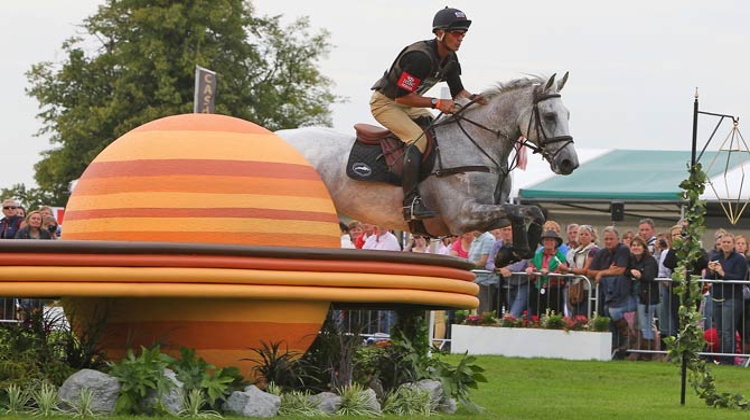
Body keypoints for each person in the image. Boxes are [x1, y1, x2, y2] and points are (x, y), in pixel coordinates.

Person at [370, 7, 484, 221]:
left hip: (408, 103)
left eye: (463, 34)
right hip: (386, 104)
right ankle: (410, 203)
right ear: (440, 33)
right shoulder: (420, 58)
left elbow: (458, 93)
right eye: (456, 34)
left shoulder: (450, 58)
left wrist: (476, 100)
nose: (461, 39)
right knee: (419, 140)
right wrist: (437, 103)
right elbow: (401, 97)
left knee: (439, 135)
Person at [587, 226, 635, 357]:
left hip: (622, 292)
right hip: (606, 291)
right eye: (606, 239)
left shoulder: (623, 250)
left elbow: (620, 269)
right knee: (607, 316)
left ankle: (628, 338)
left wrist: (602, 272)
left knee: (614, 312)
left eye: (611, 239)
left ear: (617, 239)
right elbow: (589, 272)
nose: (608, 241)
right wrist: (607, 271)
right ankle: (613, 348)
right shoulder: (601, 252)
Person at [707, 232, 747, 365]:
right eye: (723, 242)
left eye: (728, 242)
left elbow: (740, 277)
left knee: (727, 331)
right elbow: (708, 277)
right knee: (719, 331)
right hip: (717, 296)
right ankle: (722, 358)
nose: (725, 244)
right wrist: (712, 271)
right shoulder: (715, 257)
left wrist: (723, 273)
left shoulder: (739, 259)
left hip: (732, 298)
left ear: (733, 244)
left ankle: (728, 360)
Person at [628, 236, 659, 361]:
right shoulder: (631, 260)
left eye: (638, 245)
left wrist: (639, 274)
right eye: (633, 245)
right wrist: (631, 272)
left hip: (647, 297)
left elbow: (650, 276)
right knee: (639, 324)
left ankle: (647, 352)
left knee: (646, 324)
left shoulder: (650, 260)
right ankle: (638, 348)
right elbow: (626, 271)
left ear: (644, 247)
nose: (636, 248)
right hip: (635, 295)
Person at [559, 225, 599, 317]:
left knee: (584, 314)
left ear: (592, 237)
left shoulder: (593, 250)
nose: (583, 236)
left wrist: (568, 269)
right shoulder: (575, 251)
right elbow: (572, 266)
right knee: (575, 315)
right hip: (577, 287)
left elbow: (585, 270)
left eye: (586, 234)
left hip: (588, 288)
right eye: (581, 234)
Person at [526, 230, 568, 316]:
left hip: (554, 291)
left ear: (556, 243)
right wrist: (531, 270)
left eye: (551, 240)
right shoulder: (537, 255)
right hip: (538, 289)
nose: (548, 242)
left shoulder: (561, 257)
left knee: (554, 316)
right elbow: (532, 269)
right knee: (536, 316)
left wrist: (550, 273)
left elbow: (563, 274)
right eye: (546, 240)